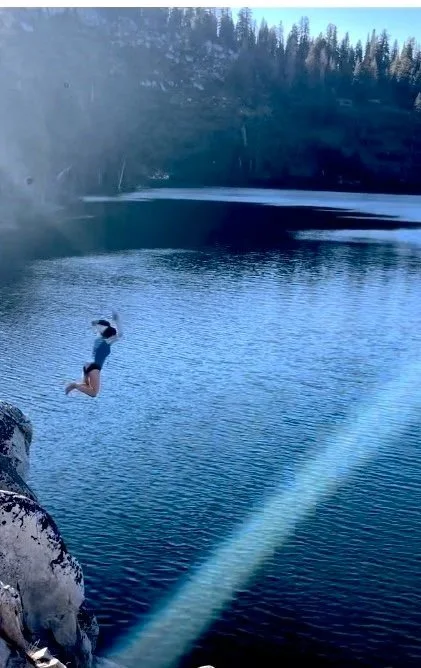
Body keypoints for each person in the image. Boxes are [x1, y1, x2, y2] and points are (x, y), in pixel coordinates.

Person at [65, 311, 122, 398]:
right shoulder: (107, 342)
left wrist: (101, 321)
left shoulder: (98, 338)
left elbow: (97, 324)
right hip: (95, 368)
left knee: (86, 386)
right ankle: (74, 385)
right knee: (94, 393)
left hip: (87, 365)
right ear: (111, 336)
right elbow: (119, 334)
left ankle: (74, 386)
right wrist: (116, 320)